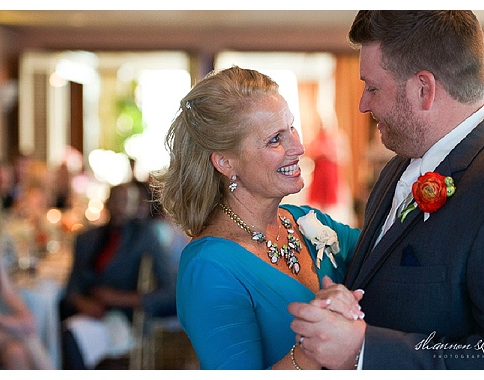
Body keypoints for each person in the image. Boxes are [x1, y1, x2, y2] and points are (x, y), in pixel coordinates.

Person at [288, 10, 484, 370]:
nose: (363, 103)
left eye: (373, 87)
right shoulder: (401, 162)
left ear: (423, 89)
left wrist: (364, 351)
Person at [152, 65, 363, 370]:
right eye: (275, 139)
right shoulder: (210, 266)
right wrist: (312, 348)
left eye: (292, 127)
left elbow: (390, 254)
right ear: (225, 162)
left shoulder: (308, 222)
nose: (299, 147)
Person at [59, 181, 176, 369]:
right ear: (107, 203)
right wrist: (84, 303)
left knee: (72, 338)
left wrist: (118, 299)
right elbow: (72, 288)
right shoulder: (87, 239)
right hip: (89, 313)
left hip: (125, 317)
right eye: (116, 200)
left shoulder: (144, 236)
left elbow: (170, 293)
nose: (121, 207)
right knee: (66, 332)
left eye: (126, 201)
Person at [0, 197, 54, 370]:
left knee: (16, 352)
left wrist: (24, 313)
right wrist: (9, 322)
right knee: (27, 335)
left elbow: (8, 292)